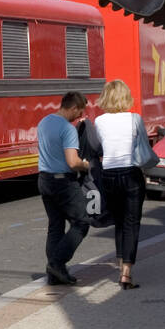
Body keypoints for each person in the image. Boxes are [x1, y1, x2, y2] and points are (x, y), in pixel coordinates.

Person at [93, 79, 147, 290]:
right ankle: (127, 272)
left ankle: (119, 264)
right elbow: (141, 145)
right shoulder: (135, 119)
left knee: (119, 222)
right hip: (131, 173)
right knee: (132, 223)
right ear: (126, 97)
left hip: (109, 175)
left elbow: (100, 146)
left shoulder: (99, 121)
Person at [36, 91, 92, 285]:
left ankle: (54, 275)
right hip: (63, 183)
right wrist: (86, 164)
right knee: (82, 222)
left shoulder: (44, 122)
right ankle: (57, 263)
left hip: (44, 180)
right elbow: (72, 162)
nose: (81, 116)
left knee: (55, 226)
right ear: (73, 108)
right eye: (80, 111)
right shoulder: (68, 129)